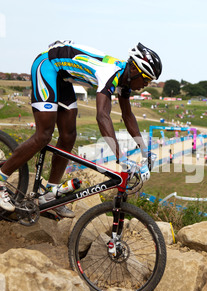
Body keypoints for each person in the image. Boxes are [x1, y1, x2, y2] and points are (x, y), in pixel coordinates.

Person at [0, 41, 162, 216]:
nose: (146, 84)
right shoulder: (110, 73)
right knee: (44, 134)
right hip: (46, 65)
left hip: (63, 77)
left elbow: (128, 116)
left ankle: (49, 195)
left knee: (69, 135)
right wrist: (121, 157)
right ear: (134, 70)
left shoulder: (125, 81)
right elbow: (102, 116)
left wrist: (146, 152)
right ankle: (1, 179)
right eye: (146, 78)